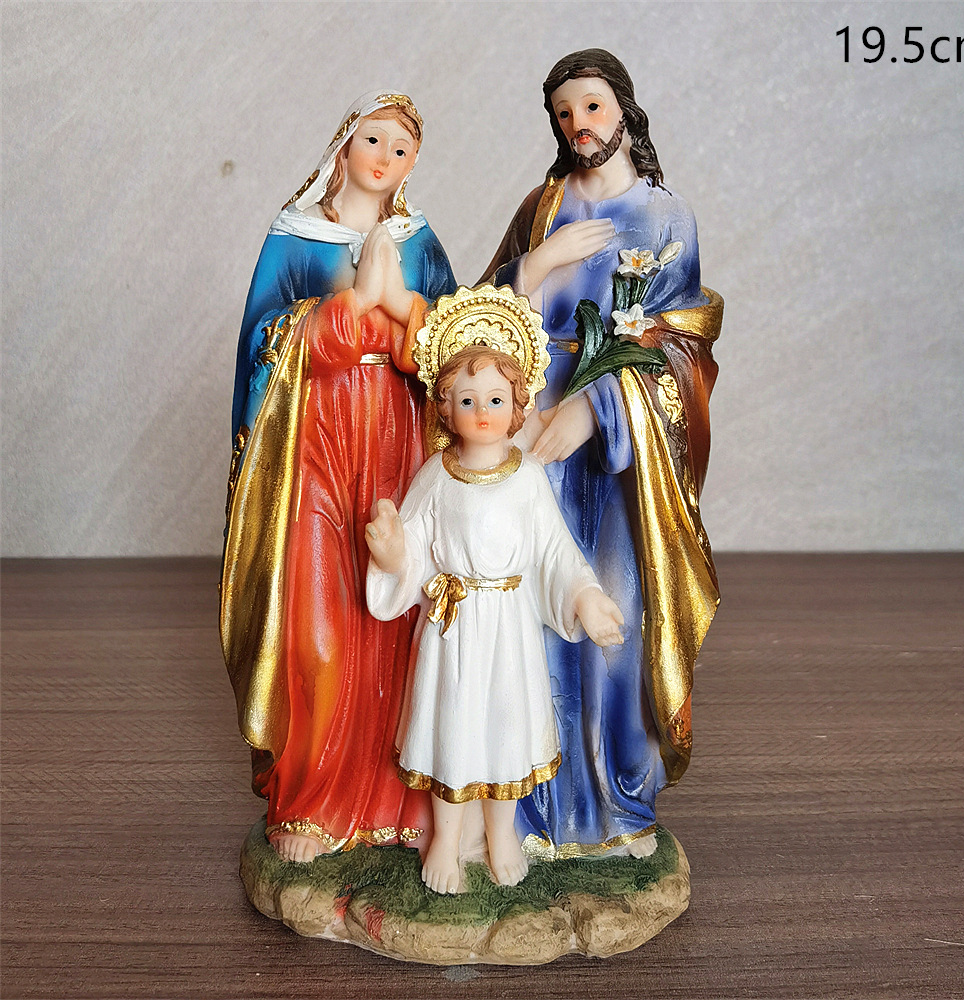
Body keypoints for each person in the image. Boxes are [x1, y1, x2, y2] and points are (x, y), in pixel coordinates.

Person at [480, 51, 724, 859]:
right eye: (563, 113)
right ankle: (526, 809)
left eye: (590, 105)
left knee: (613, 615)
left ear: (623, 108)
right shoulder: (542, 206)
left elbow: (682, 344)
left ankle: (616, 805)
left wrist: (598, 408)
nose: (578, 124)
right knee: (527, 615)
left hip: (620, 453)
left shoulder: (665, 217)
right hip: (529, 433)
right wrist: (534, 266)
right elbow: (477, 320)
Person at [221, 92, 456, 864]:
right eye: (373, 139)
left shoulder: (418, 240)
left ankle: (402, 797)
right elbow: (261, 342)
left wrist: (404, 309)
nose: (385, 158)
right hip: (316, 442)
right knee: (318, 627)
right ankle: (314, 798)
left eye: (402, 148)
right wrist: (347, 311)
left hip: (397, 439)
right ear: (343, 145)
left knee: (401, 617)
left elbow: (458, 347)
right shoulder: (294, 237)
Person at [365, 344, 624, 893]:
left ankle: (501, 834)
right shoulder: (437, 476)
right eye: (467, 400)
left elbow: (555, 552)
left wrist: (586, 597)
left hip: (509, 627)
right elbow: (413, 546)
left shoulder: (527, 477)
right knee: (452, 727)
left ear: (517, 405)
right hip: (454, 627)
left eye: (496, 399)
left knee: (507, 727)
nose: (482, 411)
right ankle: (446, 839)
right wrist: (390, 551)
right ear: (445, 407)